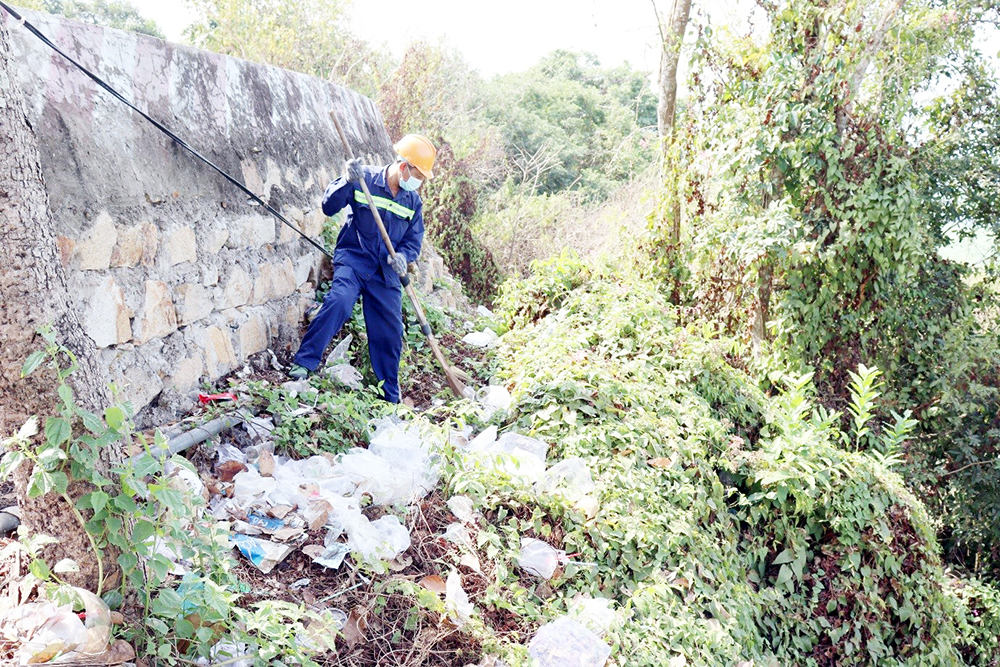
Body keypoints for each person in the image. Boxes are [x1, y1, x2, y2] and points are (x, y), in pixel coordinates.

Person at [288, 134, 437, 403]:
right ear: (404, 167)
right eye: (419, 175)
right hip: (355, 259)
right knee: (339, 302)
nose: (420, 182)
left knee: (390, 331)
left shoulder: (412, 202)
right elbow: (328, 206)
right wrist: (346, 180)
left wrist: (403, 257)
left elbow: (413, 240)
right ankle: (305, 363)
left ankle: (389, 395)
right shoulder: (363, 178)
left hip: (385, 272)